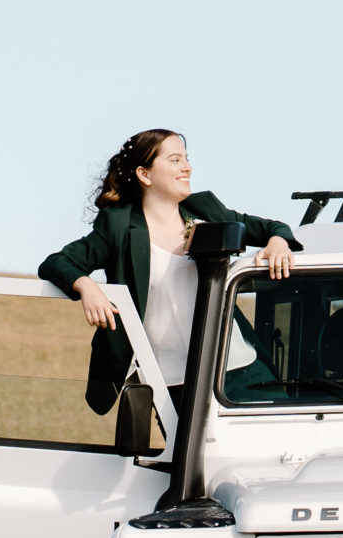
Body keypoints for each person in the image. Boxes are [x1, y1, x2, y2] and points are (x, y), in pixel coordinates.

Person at [36, 129, 299, 426]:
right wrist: (87, 286)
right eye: (175, 160)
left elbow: (272, 227)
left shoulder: (207, 211)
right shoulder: (118, 227)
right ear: (144, 174)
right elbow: (56, 262)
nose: (186, 167)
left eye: (186, 159)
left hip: (239, 368)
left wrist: (279, 242)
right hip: (171, 381)